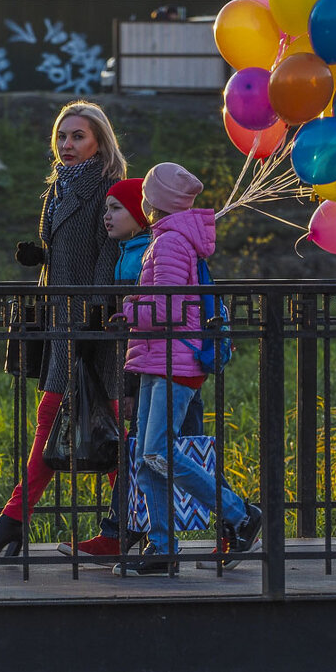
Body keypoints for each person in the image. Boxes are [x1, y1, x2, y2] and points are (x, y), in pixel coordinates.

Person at [0, 100, 127, 557]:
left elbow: (108, 253)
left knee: (82, 421)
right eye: (62, 136)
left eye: (78, 136)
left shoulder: (107, 187)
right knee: (96, 424)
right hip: (61, 317)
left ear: (100, 141)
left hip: (90, 325)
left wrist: (96, 313)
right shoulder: (58, 186)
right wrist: (42, 259)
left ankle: (15, 522)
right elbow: (70, 248)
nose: (67, 145)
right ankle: (121, 526)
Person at [110, 162, 262, 577]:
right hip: (158, 357)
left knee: (157, 450)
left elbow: (170, 307)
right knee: (146, 457)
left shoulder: (171, 243)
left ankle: (240, 513)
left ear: (154, 201)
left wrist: (127, 310)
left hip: (175, 359)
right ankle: (162, 545)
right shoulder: (167, 240)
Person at [55, 177, 208, 563]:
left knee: (167, 451)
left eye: (117, 207)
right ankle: (137, 536)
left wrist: (126, 316)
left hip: (168, 363)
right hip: (152, 363)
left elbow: (164, 312)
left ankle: (234, 523)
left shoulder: (155, 250)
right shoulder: (136, 251)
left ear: (145, 209)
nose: (107, 216)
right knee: (151, 452)